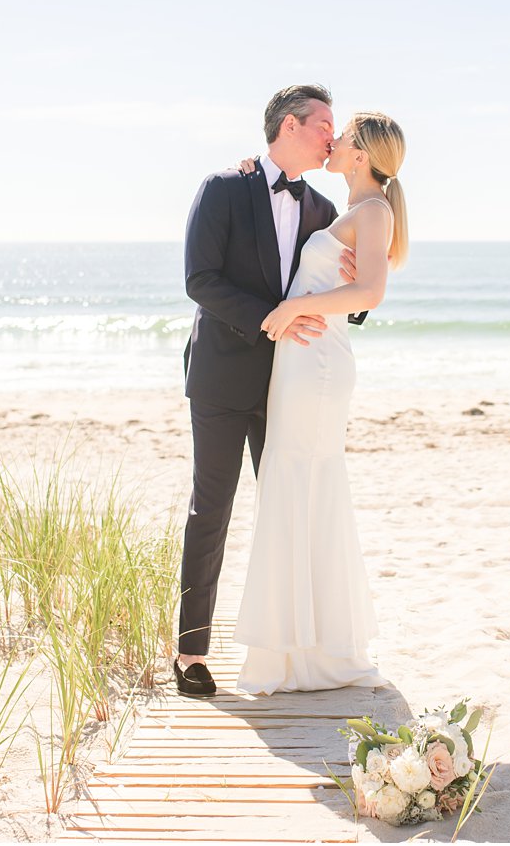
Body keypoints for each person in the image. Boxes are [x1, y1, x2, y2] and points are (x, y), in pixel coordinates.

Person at [176, 84, 364, 699]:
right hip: (224, 376)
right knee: (214, 507)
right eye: (323, 124)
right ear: (289, 125)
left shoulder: (322, 208)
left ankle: (295, 649)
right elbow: (200, 280)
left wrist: (354, 293)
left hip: (292, 384)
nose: (332, 137)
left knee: (292, 506)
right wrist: (272, 315)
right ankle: (191, 652)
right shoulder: (225, 187)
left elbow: (338, 293)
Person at [232, 111, 409, 694]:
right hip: (301, 366)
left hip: (319, 367)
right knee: (291, 483)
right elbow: (345, 284)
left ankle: (313, 653)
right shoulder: (353, 213)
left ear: (359, 155)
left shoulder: (374, 210)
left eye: (343, 136)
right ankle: (295, 650)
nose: (331, 142)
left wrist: (291, 311)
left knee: (303, 481)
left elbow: (371, 293)